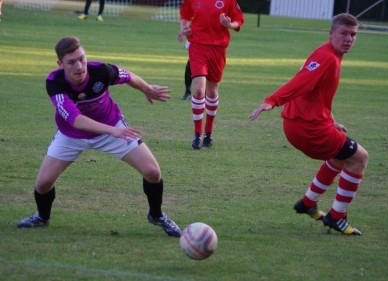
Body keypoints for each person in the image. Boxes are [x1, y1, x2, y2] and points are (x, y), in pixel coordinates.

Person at [16, 36, 182, 238]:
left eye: (82, 59)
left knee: (153, 172)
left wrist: (147, 88)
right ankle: (42, 217)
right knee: (42, 184)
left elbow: (127, 76)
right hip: (72, 135)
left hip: (113, 126)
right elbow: (75, 120)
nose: (79, 66)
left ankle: (156, 215)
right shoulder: (55, 83)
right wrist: (112, 131)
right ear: (60, 64)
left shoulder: (101, 71)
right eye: (71, 62)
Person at [249, 13, 368, 236]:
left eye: (353, 35)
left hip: (300, 124)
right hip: (307, 129)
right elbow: (301, 82)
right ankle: (337, 216)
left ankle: (307, 203)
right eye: (344, 33)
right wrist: (272, 101)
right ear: (331, 33)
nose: (349, 39)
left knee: (339, 157)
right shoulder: (327, 57)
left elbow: (315, 94)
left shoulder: (329, 54)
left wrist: (331, 121)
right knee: (360, 157)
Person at [178, 0, 244, 149]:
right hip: (197, 46)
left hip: (218, 49)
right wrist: (184, 28)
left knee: (212, 92)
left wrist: (229, 25)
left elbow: (239, 20)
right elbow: (185, 15)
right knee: (199, 90)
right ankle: (197, 134)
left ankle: (208, 132)